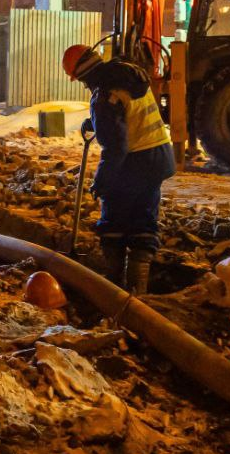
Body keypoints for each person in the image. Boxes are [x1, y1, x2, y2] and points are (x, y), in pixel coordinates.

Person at [62, 45, 175, 295]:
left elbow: (116, 149)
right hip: (159, 157)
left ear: (81, 75)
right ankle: (138, 293)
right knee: (143, 222)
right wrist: (95, 122)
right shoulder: (127, 76)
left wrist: (102, 182)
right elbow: (128, 114)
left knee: (113, 222)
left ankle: (112, 290)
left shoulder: (104, 95)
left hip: (135, 161)